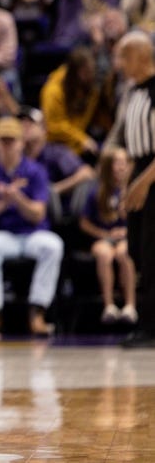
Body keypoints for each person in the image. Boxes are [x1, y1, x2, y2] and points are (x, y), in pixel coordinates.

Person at [0, 117, 62, 338]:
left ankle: (37, 313)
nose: (7, 146)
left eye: (12, 141)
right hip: (3, 234)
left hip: (32, 233)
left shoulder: (35, 171)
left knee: (53, 245)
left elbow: (37, 214)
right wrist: (3, 202)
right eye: (3, 141)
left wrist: (17, 198)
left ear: (21, 143)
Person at [113, 32, 155, 347]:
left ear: (143, 56)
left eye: (124, 56)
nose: (119, 63)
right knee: (137, 252)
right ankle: (145, 322)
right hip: (140, 168)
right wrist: (128, 184)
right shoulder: (133, 92)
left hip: (152, 173)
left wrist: (144, 180)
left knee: (152, 252)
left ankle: (149, 327)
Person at [79, 147, 136, 325]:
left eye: (124, 163)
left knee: (123, 254)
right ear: (107, 166)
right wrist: (104, 233)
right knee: (104, 254)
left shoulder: (133, 190)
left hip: (125, 238)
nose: (121, 167)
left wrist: (126, 231)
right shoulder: (96, 191)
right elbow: (84, 222)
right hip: (103, 237)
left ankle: (130, 306)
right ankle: (109, 306)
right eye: (117, 163)